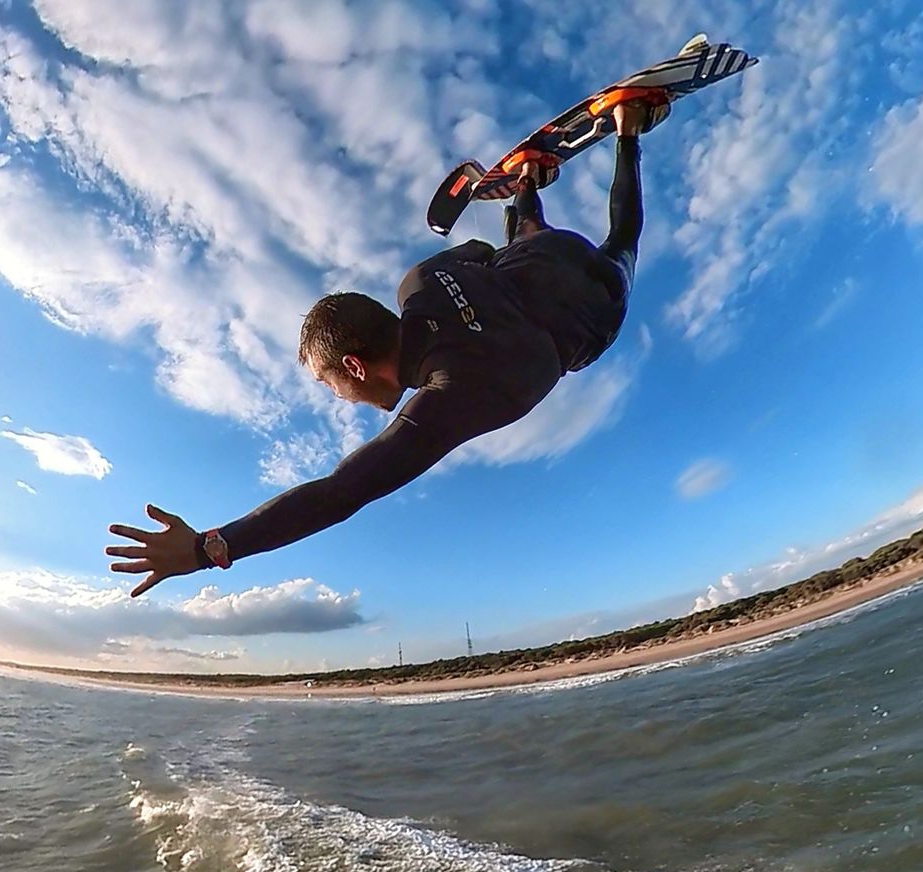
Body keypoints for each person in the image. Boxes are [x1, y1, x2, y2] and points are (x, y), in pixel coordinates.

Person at [107, 98, 663, 597]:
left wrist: (208, 548)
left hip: (595, 305)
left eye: (331, 384)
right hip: (549, 256)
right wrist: (483, 282)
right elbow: (471, 250)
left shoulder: (450, 396)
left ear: (354, 365)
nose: (342, 398)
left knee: (623, 244)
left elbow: (340, 492)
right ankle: (529, 185)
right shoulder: (415, 281)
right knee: (516, 249)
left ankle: (625, 130)